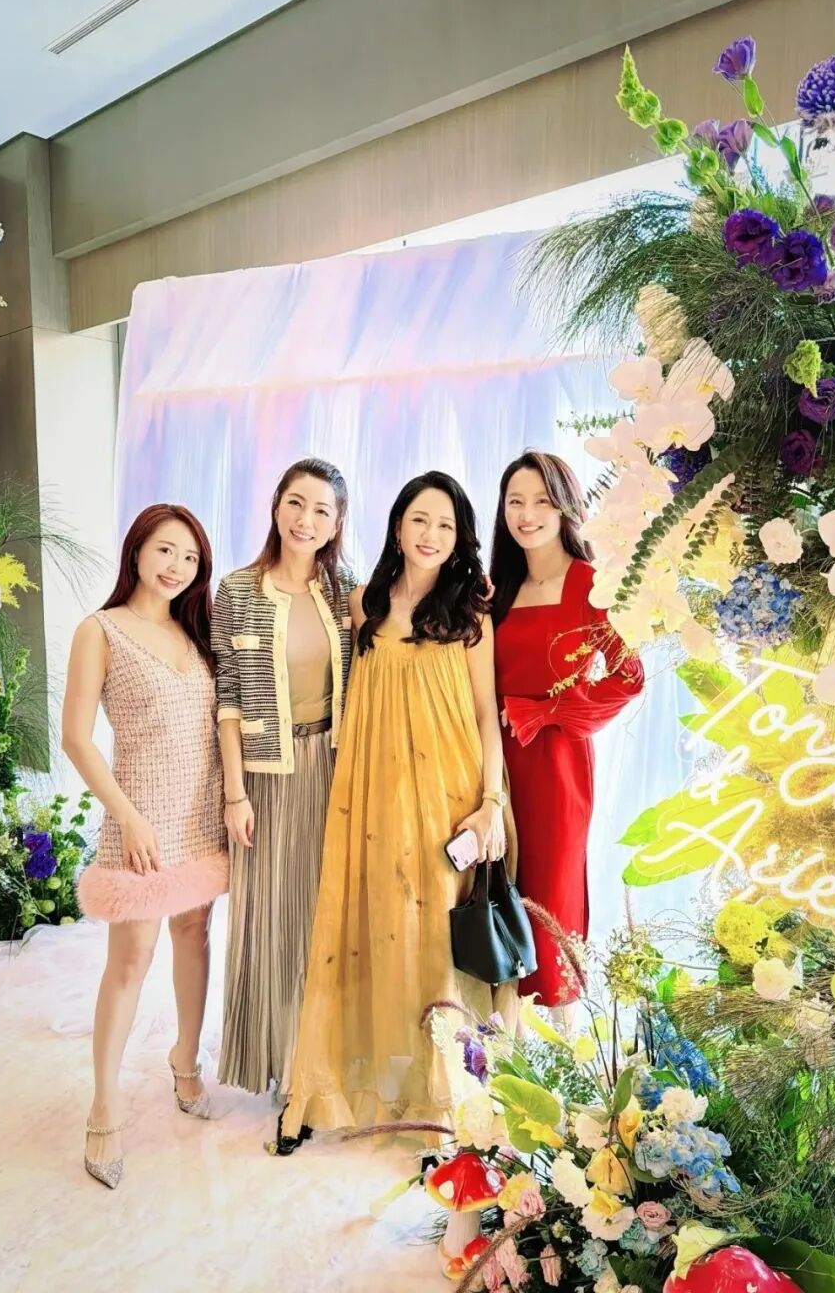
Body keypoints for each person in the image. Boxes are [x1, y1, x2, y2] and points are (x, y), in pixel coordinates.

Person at [276, 470, 513, 1152]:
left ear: (459, 535)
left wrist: (490, 803)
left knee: (435, 933)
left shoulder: (472, 611)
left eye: (444, 523)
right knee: (373, 920)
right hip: (373, 788)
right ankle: (334, 1081)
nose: (430, 534)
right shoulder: (363, 604)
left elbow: (483, 716)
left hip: (448, 791)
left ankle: (445, 1098)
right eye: (419, 519)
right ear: (397, 526)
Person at [66, 504, 228, 1189]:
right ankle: (104, 1104)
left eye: (189, 558)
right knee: (130, 962)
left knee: (195, 935)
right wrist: (127, 817)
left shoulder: (198, 633)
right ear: (137, 551)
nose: (176, 567)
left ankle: (185, 1061)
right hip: (141, 820)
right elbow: (76, 737)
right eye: (165, 551)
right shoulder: (100, 630)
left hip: (203, 816)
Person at [212, 459, 353, 1097]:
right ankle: (278, 1063)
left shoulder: (345, 587)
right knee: (268, 919)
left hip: (334, 768)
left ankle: (321, 1064)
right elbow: (229, 700)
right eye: (296, 504)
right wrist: (235, 793)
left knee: (327, 919)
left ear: (336, 523)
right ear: (276, 507)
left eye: (322, 510)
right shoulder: (237, 590)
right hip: (266, 781)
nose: (306, 520)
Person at [490, 451, 643, 1024]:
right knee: (499, 885)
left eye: (542, 501)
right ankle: (504, 1030)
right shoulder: (496, 586)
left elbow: (630, 678)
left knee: (550, 888)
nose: (527, 515)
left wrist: (546, 712)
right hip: (493, 762)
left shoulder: (590, 583)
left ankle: (562, 1028)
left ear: (564, 507)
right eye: (515, 502)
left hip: (555, 764)